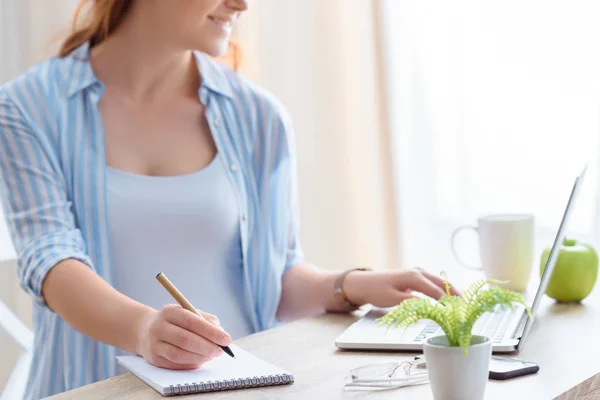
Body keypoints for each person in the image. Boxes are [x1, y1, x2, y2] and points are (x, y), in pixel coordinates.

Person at [0, 1, 460, 399]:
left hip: (237, 388)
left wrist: (350, 284)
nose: (241, 4)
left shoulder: (257, 116)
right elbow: (51, 262)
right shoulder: (28, 107)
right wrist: (143, 331)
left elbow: (274, 276)